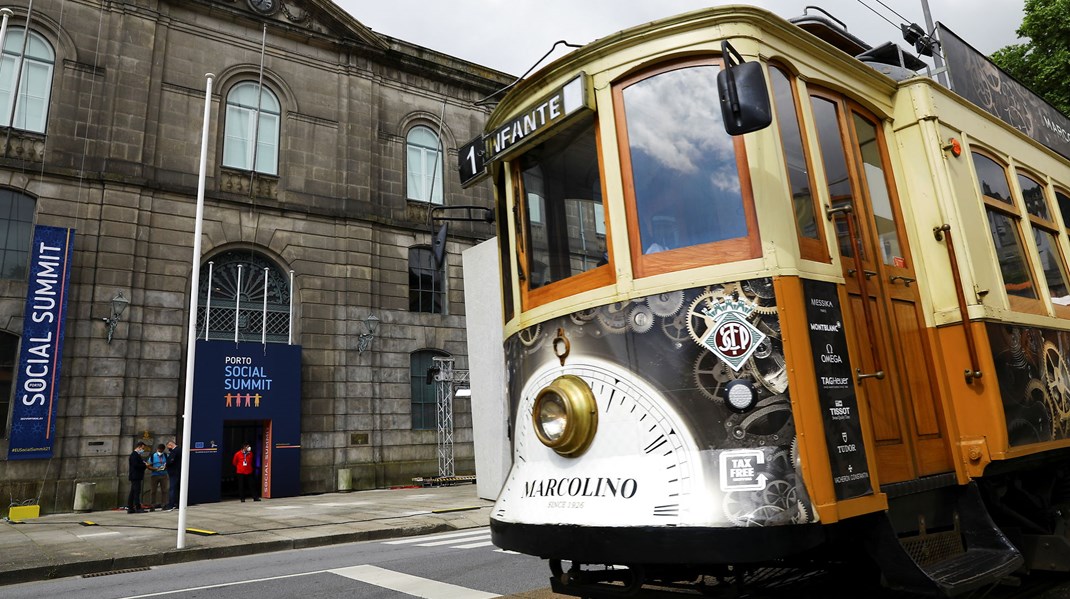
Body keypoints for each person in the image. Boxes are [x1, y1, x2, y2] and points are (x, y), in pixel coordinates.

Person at [127, 441, 149, 514]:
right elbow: (136, 465)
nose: (143, 450)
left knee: (133, 492)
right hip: (135, 476)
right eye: (142, 448)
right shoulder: (134, 455)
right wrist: (144, 465)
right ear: (139, 447)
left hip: (136, 476)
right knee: (136, 492)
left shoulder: (136, 455)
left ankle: (130, 507)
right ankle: (137, 507)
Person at [148, 443, 169, 509]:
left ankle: (164, 504)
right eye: (159, 451)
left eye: (161, 451)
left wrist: (166, 467)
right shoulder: (152, 456)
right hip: (155, 475)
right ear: (157, 449)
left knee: (164, 491)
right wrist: (155, 469)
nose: (160, 452)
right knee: (153, 491)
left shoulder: (166, 455)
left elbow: (169, 463)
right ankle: (152, 505)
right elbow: (148, 466)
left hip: (164, 475)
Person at [164, 439, 181, 511]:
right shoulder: (180, 450)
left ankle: (171, 504)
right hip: (179, 471)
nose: (168, 449)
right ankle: (178, 503)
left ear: (170, 445)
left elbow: (170, 461)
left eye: (168, 447)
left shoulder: (174, 451)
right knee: (178, 488)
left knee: (172, 488)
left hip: (174, 472)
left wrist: (166, 464)